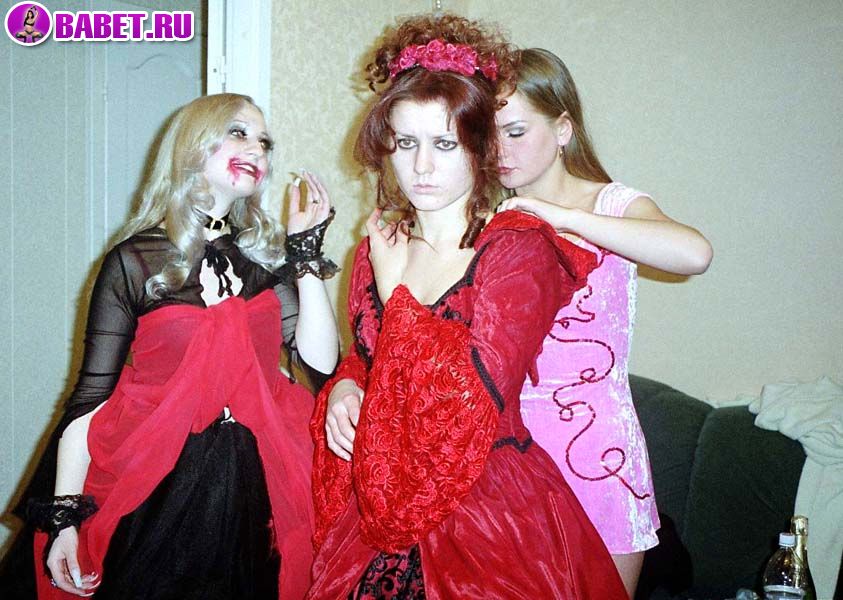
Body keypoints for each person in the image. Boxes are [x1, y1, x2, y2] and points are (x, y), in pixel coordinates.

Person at [307, 15, 628, 599]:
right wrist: (347, 388)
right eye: (406, 143)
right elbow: (370, 360)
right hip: (379, 494)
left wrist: (396, 295)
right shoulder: (379, 246)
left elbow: (471, 401)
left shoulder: (519, 249)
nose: (421, 167)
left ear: (480, 147)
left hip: (489, 510)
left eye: (444, 143)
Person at [8, 93, 338, 599]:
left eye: (265, 141)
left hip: (254, 479)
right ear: (194, 144)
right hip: (156, 481)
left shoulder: (263, 261)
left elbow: (319, 364)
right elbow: (90, 397)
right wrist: (64, 521)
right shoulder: (134, 260)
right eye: (238, 132)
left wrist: (304, 253)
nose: (257, 149)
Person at [495, 48, 714, 597]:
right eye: (488, 134)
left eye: (516, 131)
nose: (500, 150)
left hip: (599, 456)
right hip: (506, 459)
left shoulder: (610, 204)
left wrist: (564, 218)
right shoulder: (489, 219)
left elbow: (694, 253)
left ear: (562, 128)